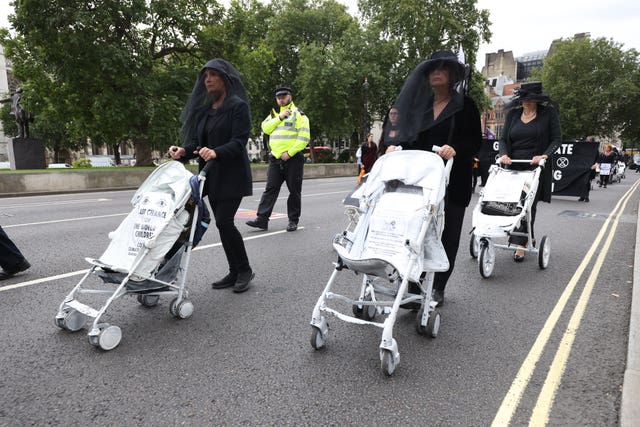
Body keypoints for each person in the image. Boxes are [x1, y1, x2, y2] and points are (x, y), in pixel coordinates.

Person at [383, 50, 482, 307]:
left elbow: (475, 141)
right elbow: (408, 135)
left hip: (453, 178)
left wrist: (456, 148)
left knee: (447, 235)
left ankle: (438, 287)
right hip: (421, 181)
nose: (436, 73)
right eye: (432, 69)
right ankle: (414, 284)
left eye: (443, 68)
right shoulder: (421, 107)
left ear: (452, 75)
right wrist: (395, 146)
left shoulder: (466, 105)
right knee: (416, 232)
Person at [168, 58, 255, 293]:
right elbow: (199, 144)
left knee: (225, 222)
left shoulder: (238, 106)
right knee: (222, 224)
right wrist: (184, 151)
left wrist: (216, 151)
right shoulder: (206, 112)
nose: (208, 80)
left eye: (213, 75)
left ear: (225, 79)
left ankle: (245, 270)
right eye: (205, 76)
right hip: (211, 176)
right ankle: (234, 270)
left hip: (232, 174)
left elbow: (239, 142)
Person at [498, 81, 562, 262]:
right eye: (524, 99)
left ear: (537, 100)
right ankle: (526, 236)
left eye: (530, 99)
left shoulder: (548, 114)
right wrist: (503, 155)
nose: (526, 102)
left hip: (535, 167)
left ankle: (520, 243)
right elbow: (503, 139)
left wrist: (544, 155)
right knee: (512, 202)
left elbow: (557, 139)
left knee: (527, 205)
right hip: (514, 165)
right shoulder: (513, 114)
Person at [246, 86, 310, 232]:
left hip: (292, 158)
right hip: (275, 159)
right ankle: (262, 219)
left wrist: (290, 152)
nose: (281, 99)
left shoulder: (299, 114)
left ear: (290, 97)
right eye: (278, 97)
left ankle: (293, 220)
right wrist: (280, 118)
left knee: (294, 191)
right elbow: (265, 128)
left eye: (284, 96)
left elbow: (304, 138)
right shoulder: (273, 114)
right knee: (270, 189)